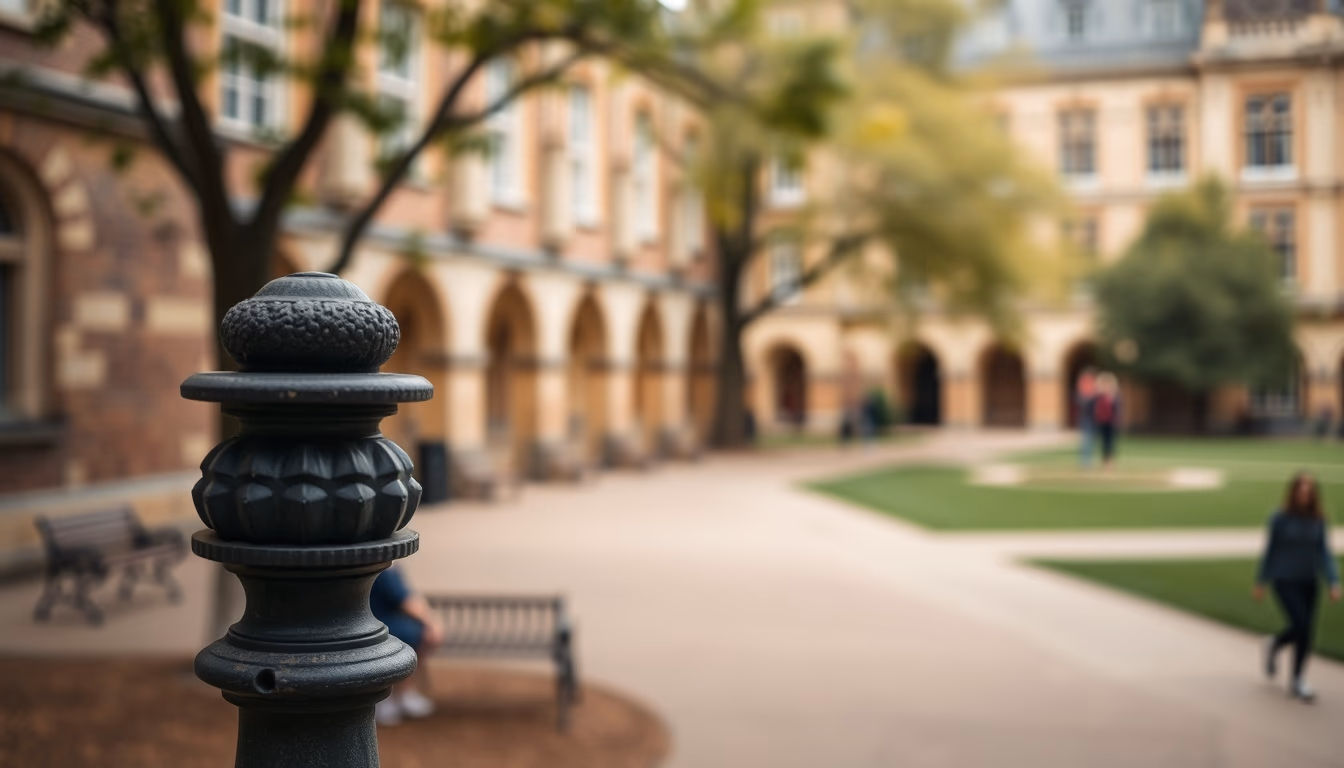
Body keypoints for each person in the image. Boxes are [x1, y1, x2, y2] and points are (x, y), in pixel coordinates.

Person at [1255, 472, 1342, 702]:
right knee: (1300, 624)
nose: (1305, 493)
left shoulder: (1318, 519)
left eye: (1309, 489)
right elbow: (1271, 550)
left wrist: (1333, 581)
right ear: (1294, 492)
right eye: (1301, 489)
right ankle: (1276, 647)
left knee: (1306, 632)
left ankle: (1295, 676)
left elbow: (1324, 552)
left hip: (1309, 580)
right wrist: (1261, 581)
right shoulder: (1280, 518)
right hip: (1284, 579)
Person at [370, 565, 446, 725]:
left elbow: (408, 598)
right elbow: (407, 601)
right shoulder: (385, 571)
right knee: (414, 636)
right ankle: (392, 697)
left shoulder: (382, 568)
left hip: (376, 626)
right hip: (381, 628)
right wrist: (432, 622)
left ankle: (401, 695)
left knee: (413, 634)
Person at [1093, 372, 1121, 470]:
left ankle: (1110, 462)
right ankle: (1105, 461)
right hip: (1102, 421)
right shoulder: (1099, 395)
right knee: (1104, 442)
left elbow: (1118, 408)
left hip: (1111, 422)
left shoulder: (1115, 395)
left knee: (1111, 442)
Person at [1075, 368, 1098, 468]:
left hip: (1094, 418)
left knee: (1090, 440)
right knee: (1086, 440)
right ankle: (1085, 461)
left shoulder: (1093, 386)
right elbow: (1081, 401)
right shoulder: (1084, 386)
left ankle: (1087, 460)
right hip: (1086, 418)